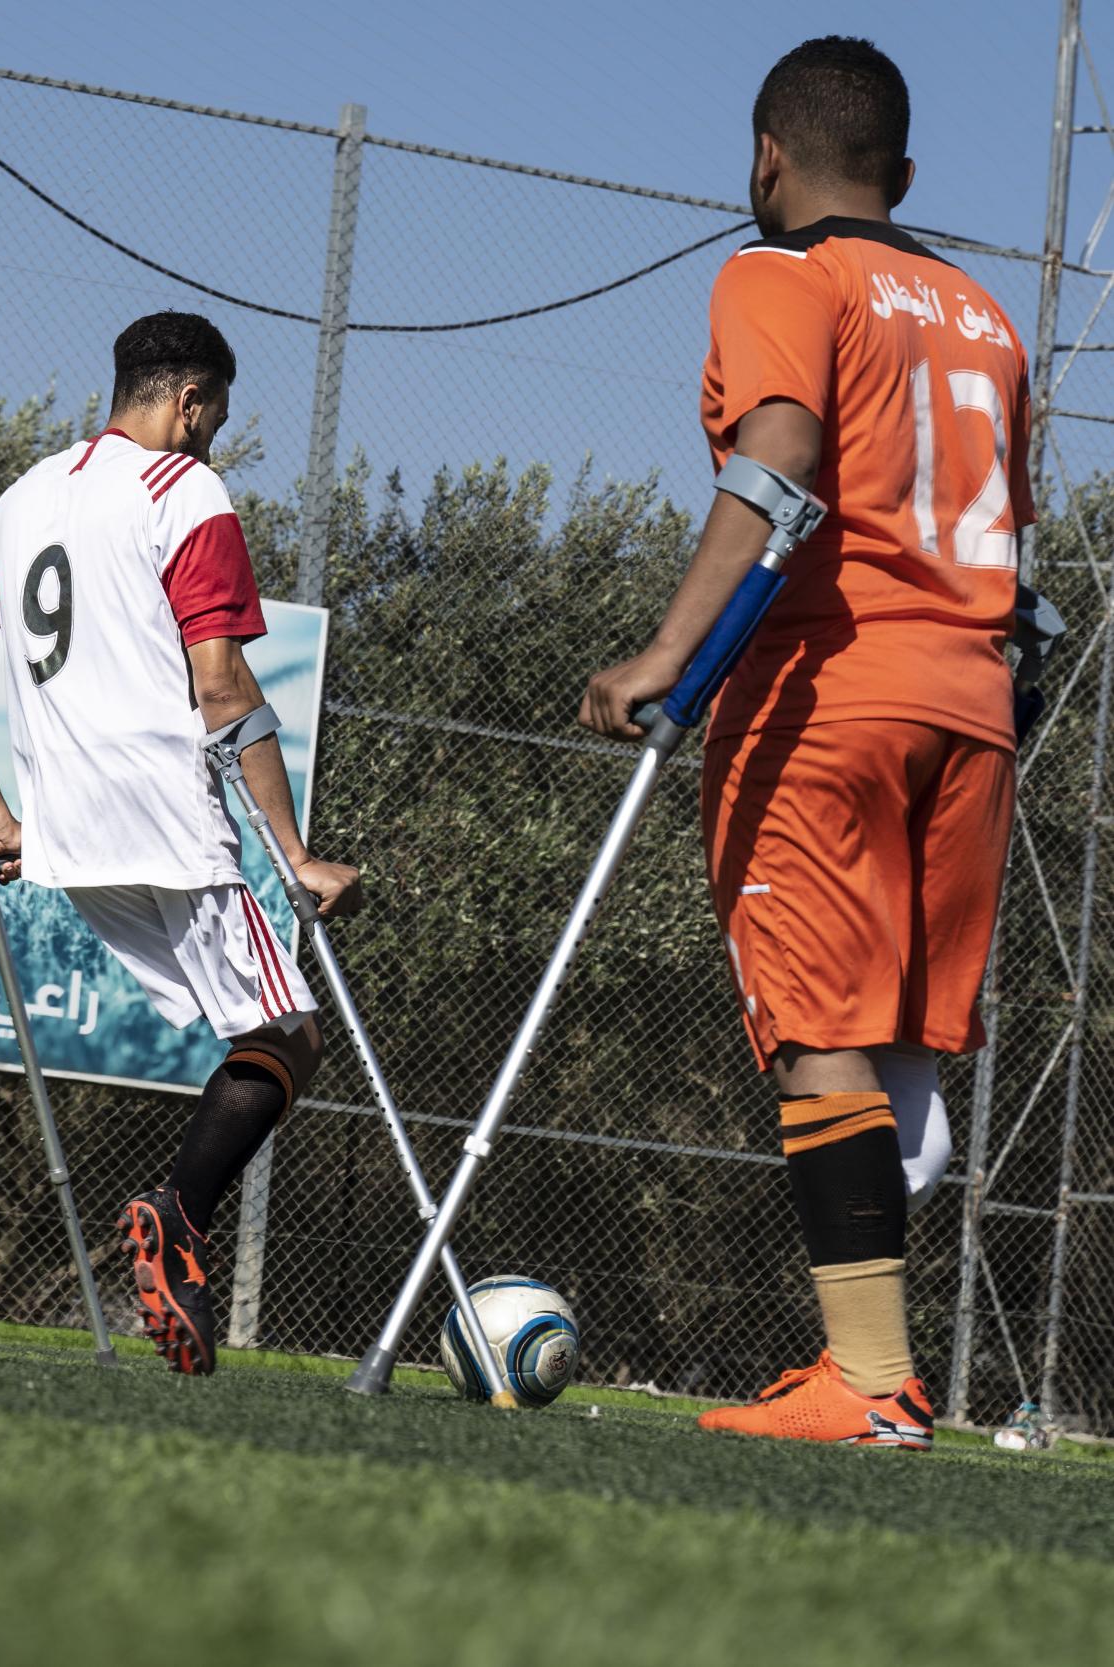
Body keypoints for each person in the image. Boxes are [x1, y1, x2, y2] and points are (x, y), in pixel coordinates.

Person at [580, 38, 1029, 1447]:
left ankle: (872, 1377)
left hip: (832, 691)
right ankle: (871, 1354)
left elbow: (778, 458)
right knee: (900, 1052)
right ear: (902, 175)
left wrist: (664, 653)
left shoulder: (778, 273)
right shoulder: (983, 313)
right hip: (975, 700)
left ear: (767, 159)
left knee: (819, 1031)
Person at [0, 311, 360, 1375]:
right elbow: (220, 682)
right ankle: (178, 1216)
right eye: (216, 420)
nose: (212, 442)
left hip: (71, 844)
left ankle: (176, 1220)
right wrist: (294, 852)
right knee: (289, 1035)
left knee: (252, 1038)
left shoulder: (22, 502)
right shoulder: (182, 492)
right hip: (170, 823)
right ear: (187, 401)